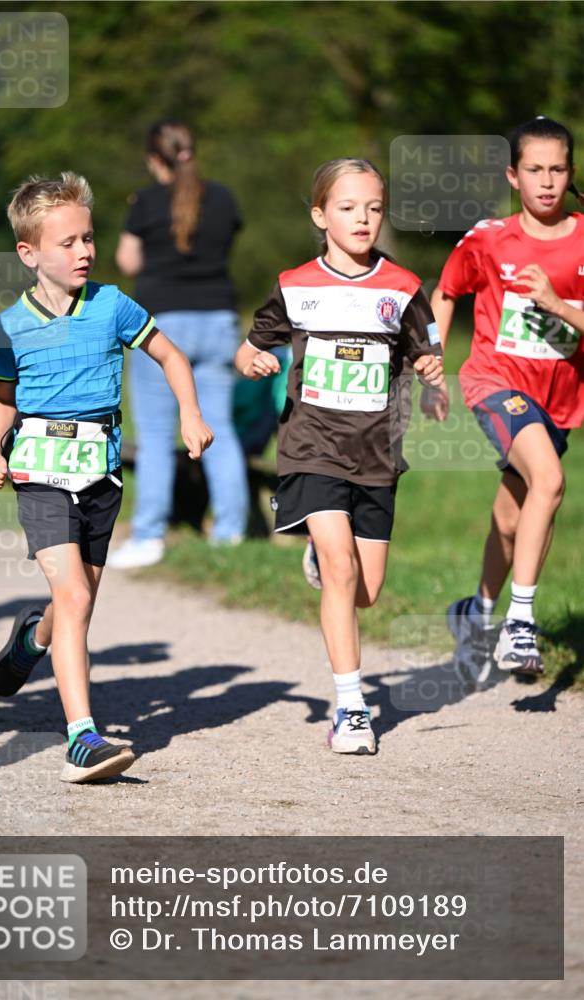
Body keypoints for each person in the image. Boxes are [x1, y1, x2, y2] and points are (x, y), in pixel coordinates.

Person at [0, 172, 213, 783]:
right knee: (77, 598)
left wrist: (190, 412)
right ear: (30, 253)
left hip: (101, 476)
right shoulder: (10, 324)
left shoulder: (112, 305)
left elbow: (171, 354)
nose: (84, 251)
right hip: (40, 472)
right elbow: (3, 396)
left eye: (89, 238)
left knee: (73, 607)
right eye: (68, 243)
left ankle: (31, 641)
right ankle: (81, 738)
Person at [235, 158, 443, 755]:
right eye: (348, 208)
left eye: (374, 208)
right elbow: (247, 352)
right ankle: (352, 707)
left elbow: (426, 355)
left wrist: (433, 375)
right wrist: (255, 362)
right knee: (341, 565)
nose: (363, 218)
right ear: (320, 216)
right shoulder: (296, 284)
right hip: (310, 448)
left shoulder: (402, 288)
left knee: (365, 589)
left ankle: (323, 564)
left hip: (377, 454)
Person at [428, 117, 584, 683]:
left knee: (513, 513)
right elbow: (445, 292)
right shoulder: (489, 238)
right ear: (513, 176)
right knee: (549, 481)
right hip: (496, 382)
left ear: (571, 172)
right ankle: (521, 623)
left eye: (558, 169)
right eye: (535, 170)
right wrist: (433, 366)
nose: (547, 181)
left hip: (561, 394)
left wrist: (558, 303)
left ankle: (478, 615)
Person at [110, 119, 249, 568]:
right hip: (219, 321)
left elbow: (127, 260)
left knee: (153, 436)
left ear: (155, 159)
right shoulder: (224, 197)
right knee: (220, 429)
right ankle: (230, 533)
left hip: (161, 328)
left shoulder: (146, 201)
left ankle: (149, 535)